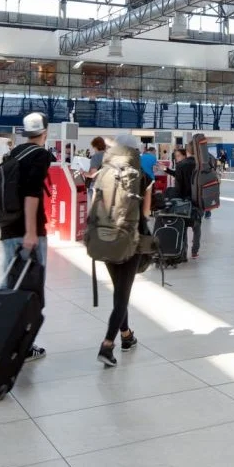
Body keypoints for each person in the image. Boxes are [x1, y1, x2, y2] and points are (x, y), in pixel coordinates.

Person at [0, 113, 55, 361]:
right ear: (46, 131)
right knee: (31, 290)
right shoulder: (40, 155)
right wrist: (31, 231)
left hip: (8, 228)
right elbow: (32, 195)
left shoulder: (15, 152)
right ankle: (19, 345)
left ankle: (5, 340)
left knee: (11, 285)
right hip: (27, 231)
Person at [97, 135, 151, 367]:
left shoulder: (103, 173)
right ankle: (108, 345)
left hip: (105, 238)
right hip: (131, 240)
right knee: (122, 296)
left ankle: (126, 336)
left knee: (119, 290)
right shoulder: (142, 176)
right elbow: (146, 214)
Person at [170, 146, 203, 259]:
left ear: (187, 152)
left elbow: (178, 186)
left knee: (183, 226)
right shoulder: (201, 164)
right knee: (197, 227)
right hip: (199, 200)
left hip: (184, 200)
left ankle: (183, 254)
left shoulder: (181, 165)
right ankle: (195, 252)